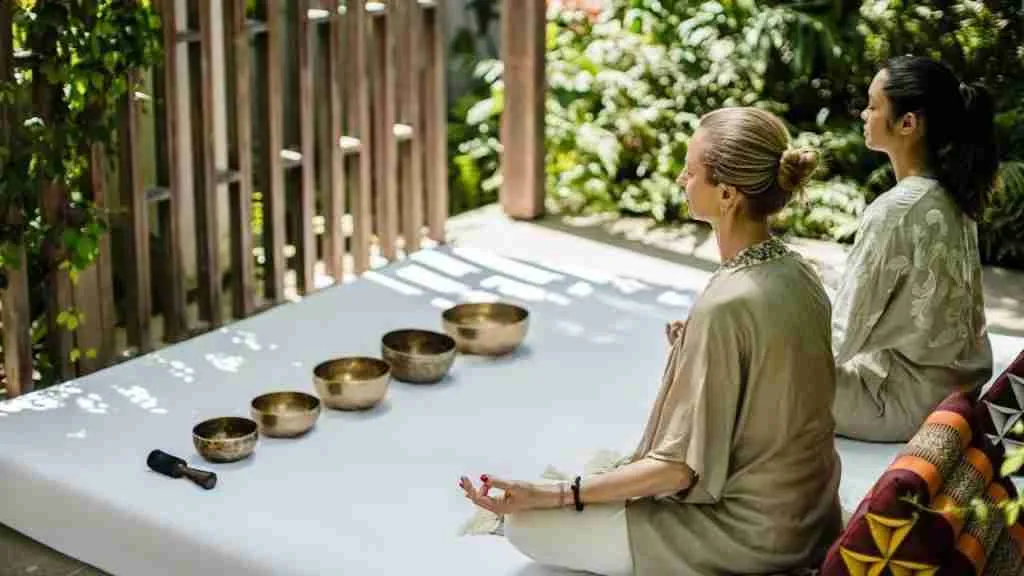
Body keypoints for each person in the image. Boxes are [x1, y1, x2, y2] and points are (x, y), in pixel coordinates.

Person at [459, 107, 842, 575]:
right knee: (594, 480)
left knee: (527, 526)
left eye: (692, 168)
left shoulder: (726, 305)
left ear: (726, 194)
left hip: (753, 536)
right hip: (813, 517)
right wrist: (694, 348)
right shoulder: (800, 271)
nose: (682, 177)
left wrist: (556, 495)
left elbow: (677, 470)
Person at [831, 55, 997, 442]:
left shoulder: (896, 210)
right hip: (953, 394)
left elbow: (841, 335)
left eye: (873, 106)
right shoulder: (956, 198)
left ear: (908, 123)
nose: (863, 114)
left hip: (896, 404)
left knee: (749, 364)